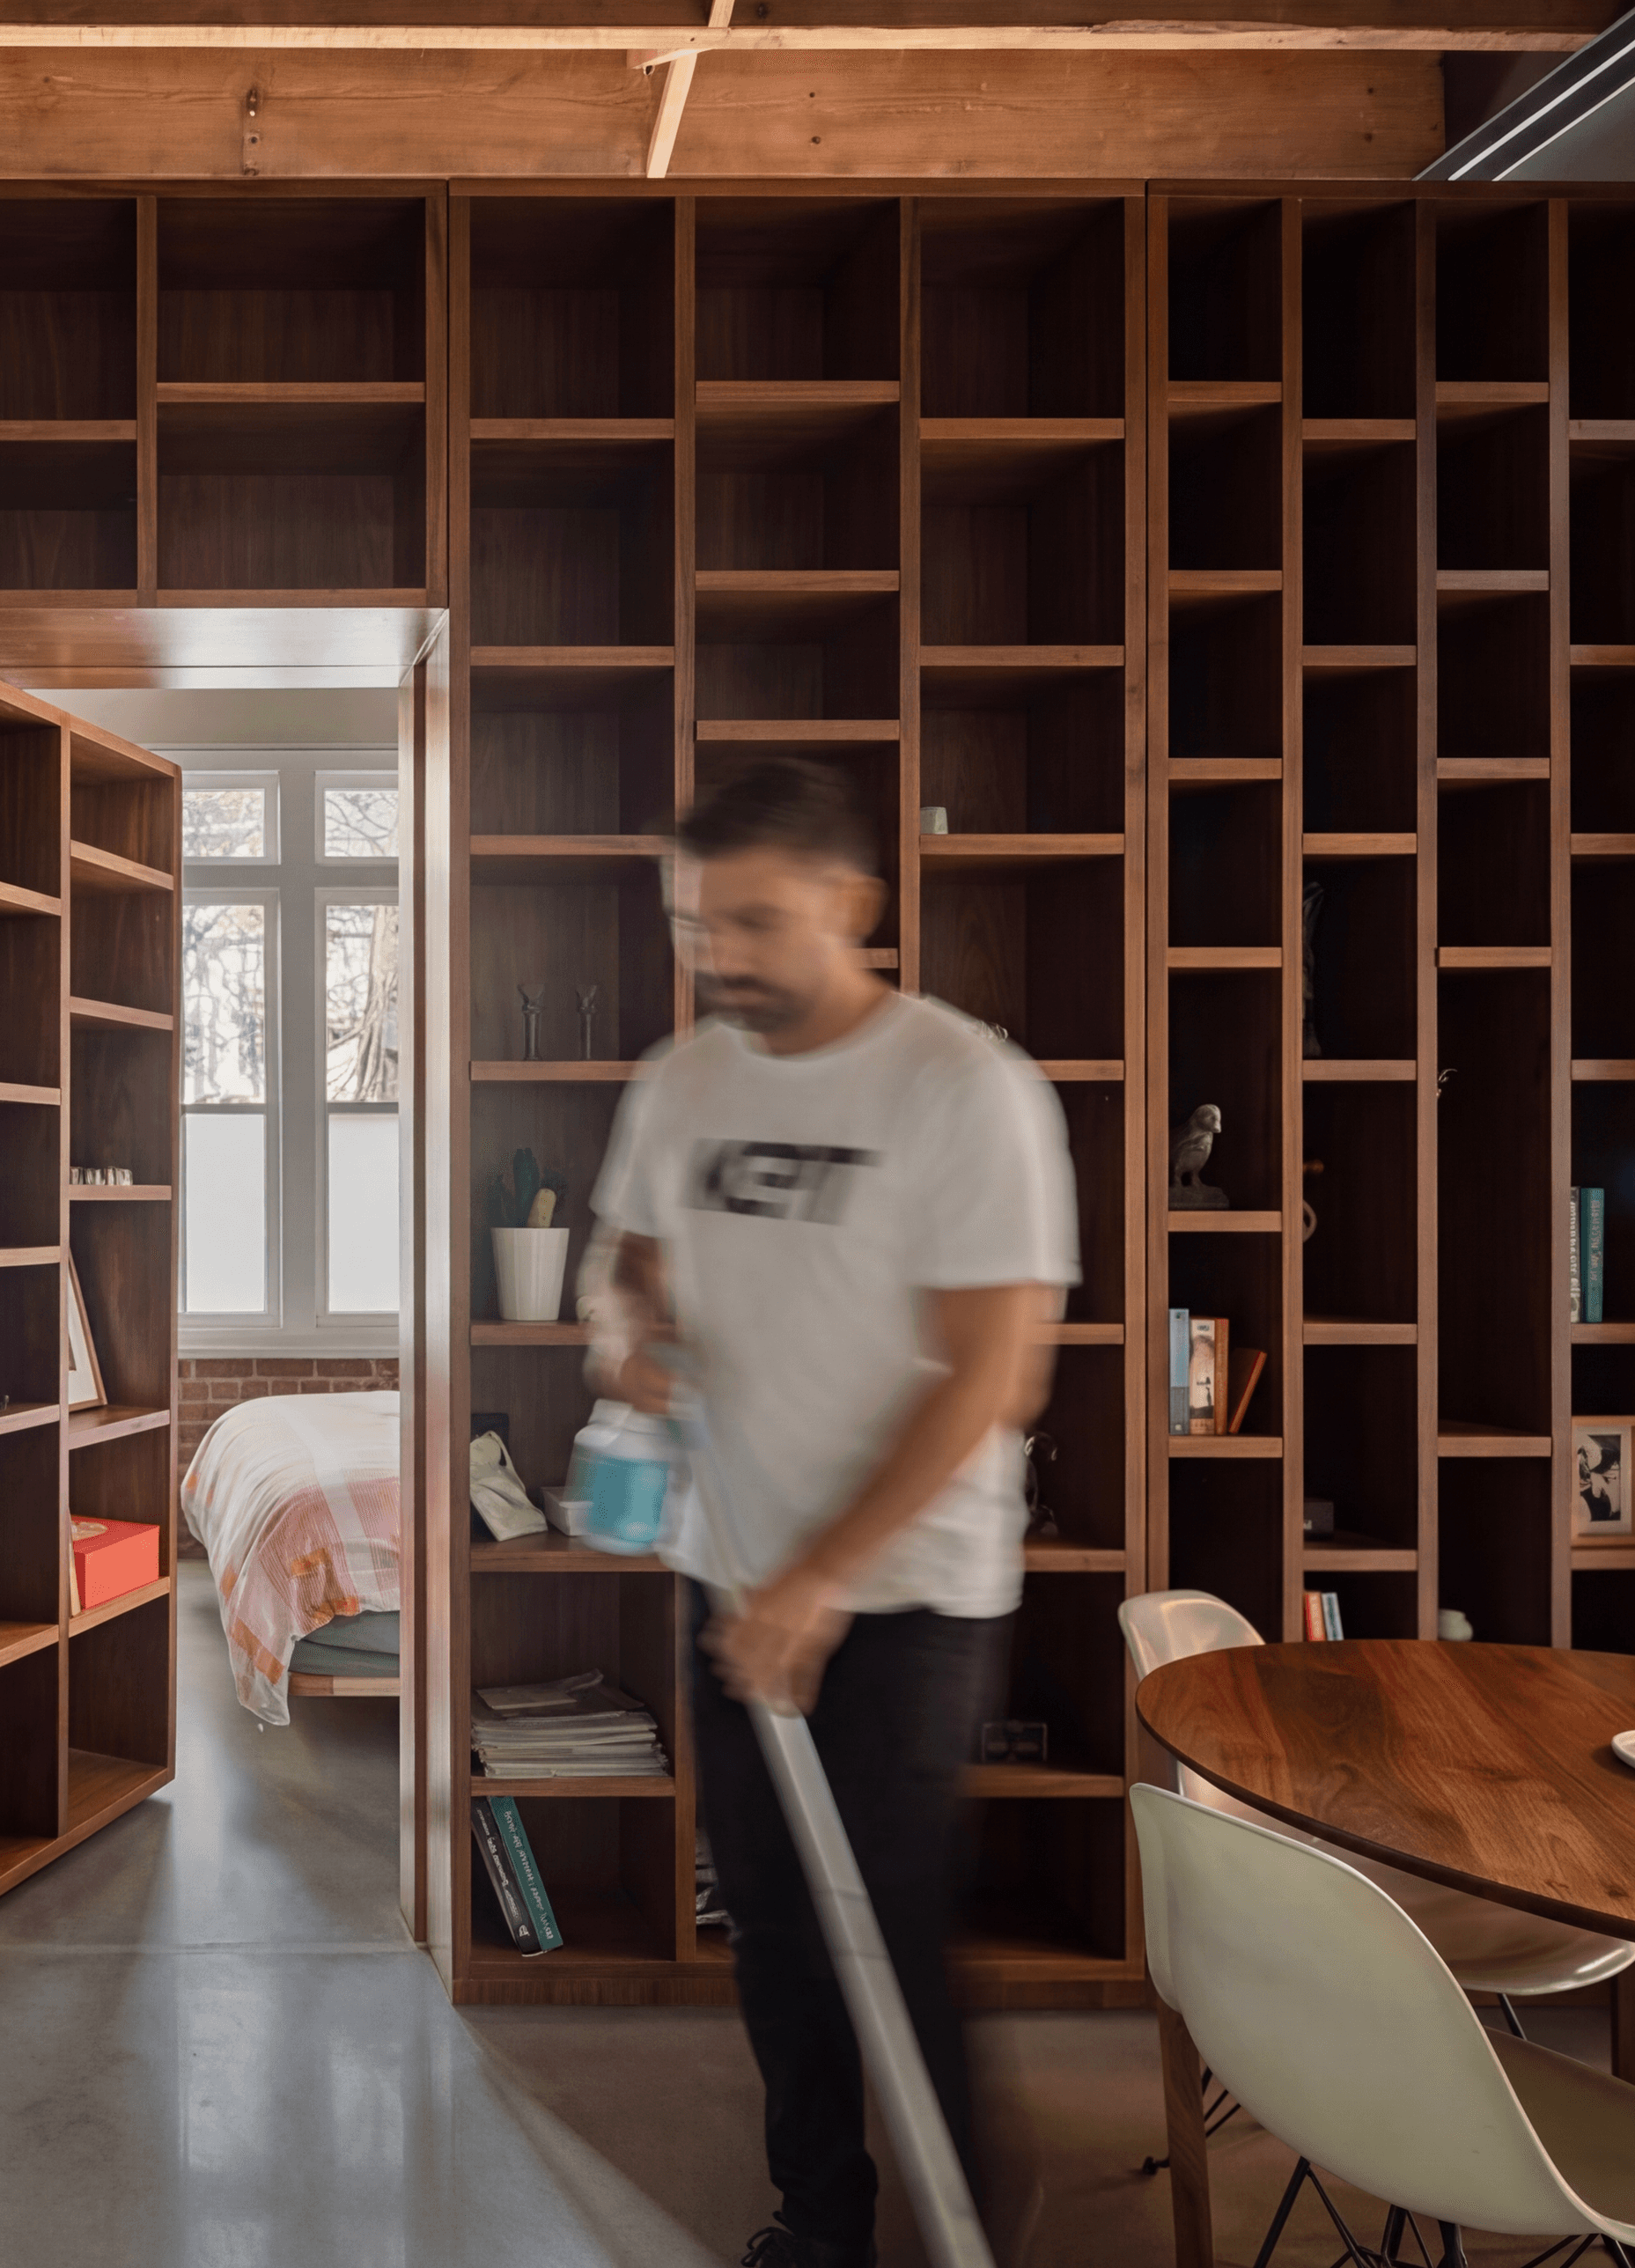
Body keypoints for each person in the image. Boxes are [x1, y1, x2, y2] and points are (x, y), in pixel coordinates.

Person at [579, 758, 1077, 2268]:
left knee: (889, 1921)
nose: (719, 957)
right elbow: (628, 1271)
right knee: (777, 1928)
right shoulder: (681, 1085)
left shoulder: (960, 1086)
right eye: (693, 926)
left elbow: (996, 1371)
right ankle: (821, 2214)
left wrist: (828, 1576)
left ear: (853, 906)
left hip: (907, 1590)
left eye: (755, 922)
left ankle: (975, 2214)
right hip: (730, 1570)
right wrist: (633, 1339)